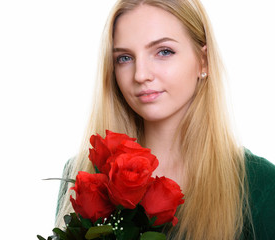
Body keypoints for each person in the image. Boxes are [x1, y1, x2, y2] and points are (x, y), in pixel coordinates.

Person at [55, 0, 275, 239]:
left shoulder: (260, 185)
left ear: (204, 61)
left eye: (164, 52)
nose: (140, 75)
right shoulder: (84, 176)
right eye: (124, 58)